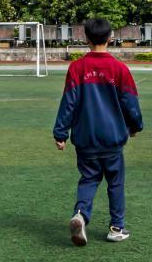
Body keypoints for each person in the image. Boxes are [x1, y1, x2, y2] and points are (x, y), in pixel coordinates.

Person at [53, 18, 143, 246]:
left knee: (89, 179)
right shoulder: (119, 69)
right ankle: (116, 227)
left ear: (86, 38)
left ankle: (81, 214)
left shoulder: (77, 68)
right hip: (112, 138)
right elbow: (130, 102)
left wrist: (60, 133)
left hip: (85, 138)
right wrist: (135, 127)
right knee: (115, 182)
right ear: (110, 38)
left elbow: (68, 103)